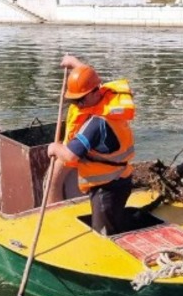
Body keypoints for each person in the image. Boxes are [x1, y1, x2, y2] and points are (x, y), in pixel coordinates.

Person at [47, 55, 136, 236]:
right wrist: (74, 63)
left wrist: (54, 148)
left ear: (95, 93)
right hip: (120, 178)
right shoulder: (107, 100)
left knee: (104, 233)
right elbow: (91, 80)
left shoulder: (96, 124)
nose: (78, 104)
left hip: (107, 188)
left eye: (81, 100)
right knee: (113, 220)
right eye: (74, 101)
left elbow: (71, 156)